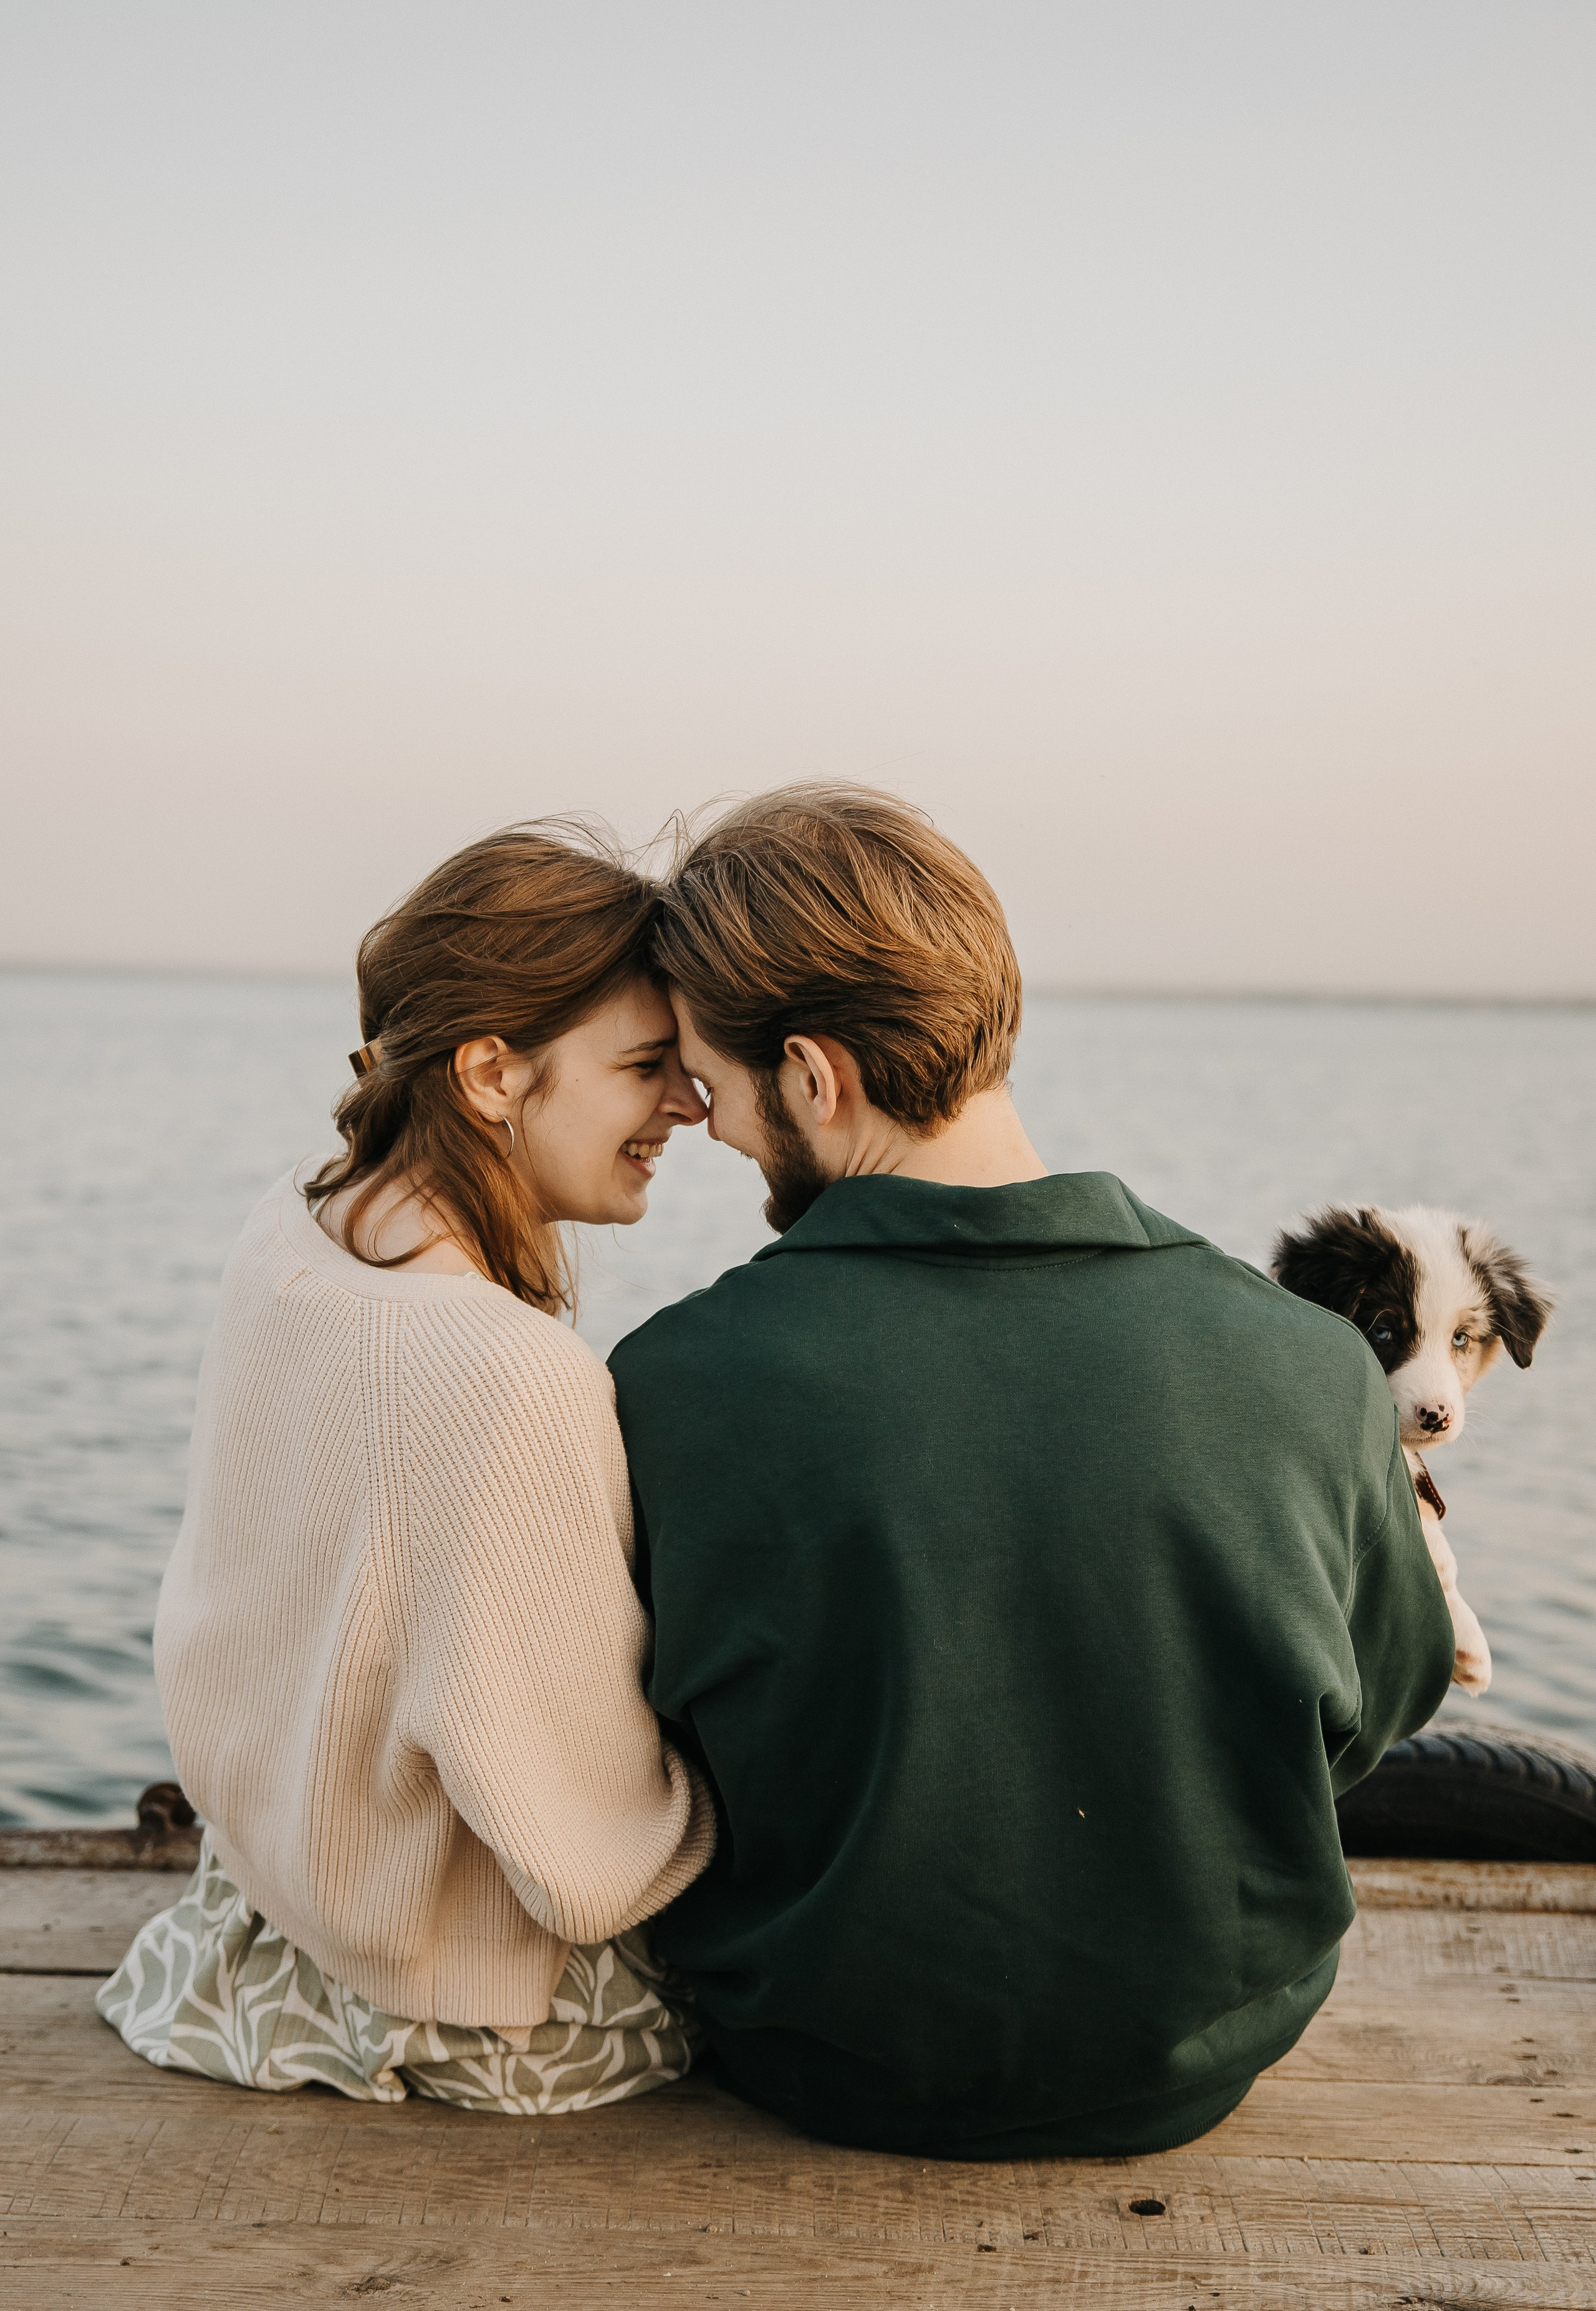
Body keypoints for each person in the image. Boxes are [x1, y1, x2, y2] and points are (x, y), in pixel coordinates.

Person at [608, 783, 1456, 2160]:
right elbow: (1381, 1698)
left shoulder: (670, 1383)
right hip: (1206, 2048)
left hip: (813, 2055)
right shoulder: (1309, 1369)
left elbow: (642, 1747)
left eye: (712, 1082)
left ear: (813, 1078)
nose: (703, 1121)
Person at [99, 822, 716, 2114]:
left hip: (271, 1910)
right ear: (493, 1072)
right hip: (467, 2003)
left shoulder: (300, 1223)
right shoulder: (499, 1374)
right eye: (648, 1066)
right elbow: (584, 1858)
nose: (689, 1107)